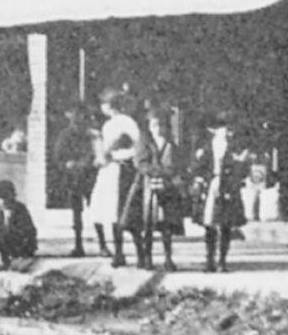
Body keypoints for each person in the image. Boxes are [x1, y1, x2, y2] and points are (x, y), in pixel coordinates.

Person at [86, 88, 141, 267]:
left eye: (104, 104)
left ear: (111, 106)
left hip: (123, 169)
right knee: (109, 211)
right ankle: (118, 252)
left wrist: (110, 150)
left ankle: (139, 252)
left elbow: (132, 141)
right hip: (109, 170)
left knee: (122, 211)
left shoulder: (126, 122)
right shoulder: (108, 124)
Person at [190, 113, 248, 272]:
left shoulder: (235, 147)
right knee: (209, 223)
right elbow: (197, 167)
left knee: (226, 224)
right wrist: (200, 177)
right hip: (211, 185)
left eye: (230, 128)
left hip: (228, 186)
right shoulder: (206, 146)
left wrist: (240, 166)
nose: (228, 132)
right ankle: (209, 260)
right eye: (224, 128)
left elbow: (242, 170)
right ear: (215, 130)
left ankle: (222, 261)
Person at [134, 108, 186, 271]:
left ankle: (168, 258)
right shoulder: (145, 144)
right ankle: (147, 257)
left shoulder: (171, 145)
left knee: (167, 225)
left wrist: (171, 175)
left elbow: (179, 164)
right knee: (148, 224)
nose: (159, 129)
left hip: (168, 186)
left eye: (162, 125)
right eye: (155, 125)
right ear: (149, 126)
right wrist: (156, 171)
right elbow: (141, 163)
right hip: (149, 186)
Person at [51, 105, 100, 257]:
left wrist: (88, 162)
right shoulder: (65, 135)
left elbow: (96, 153)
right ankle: (78, 245)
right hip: (74, 178)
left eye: (83, 117)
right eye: (76, 117)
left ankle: (103, 244)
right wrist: (67, 164)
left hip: (90, 175)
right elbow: (58, 157)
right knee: (76, 212)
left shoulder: (91, 135)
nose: (79, 120)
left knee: (98, 210)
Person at [0, 179, 38, 274]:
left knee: (3, 234)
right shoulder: (1, 208)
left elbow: (27, 232)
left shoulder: (19, 209)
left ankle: (7, 261)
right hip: (8, 241)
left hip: (22, 246)